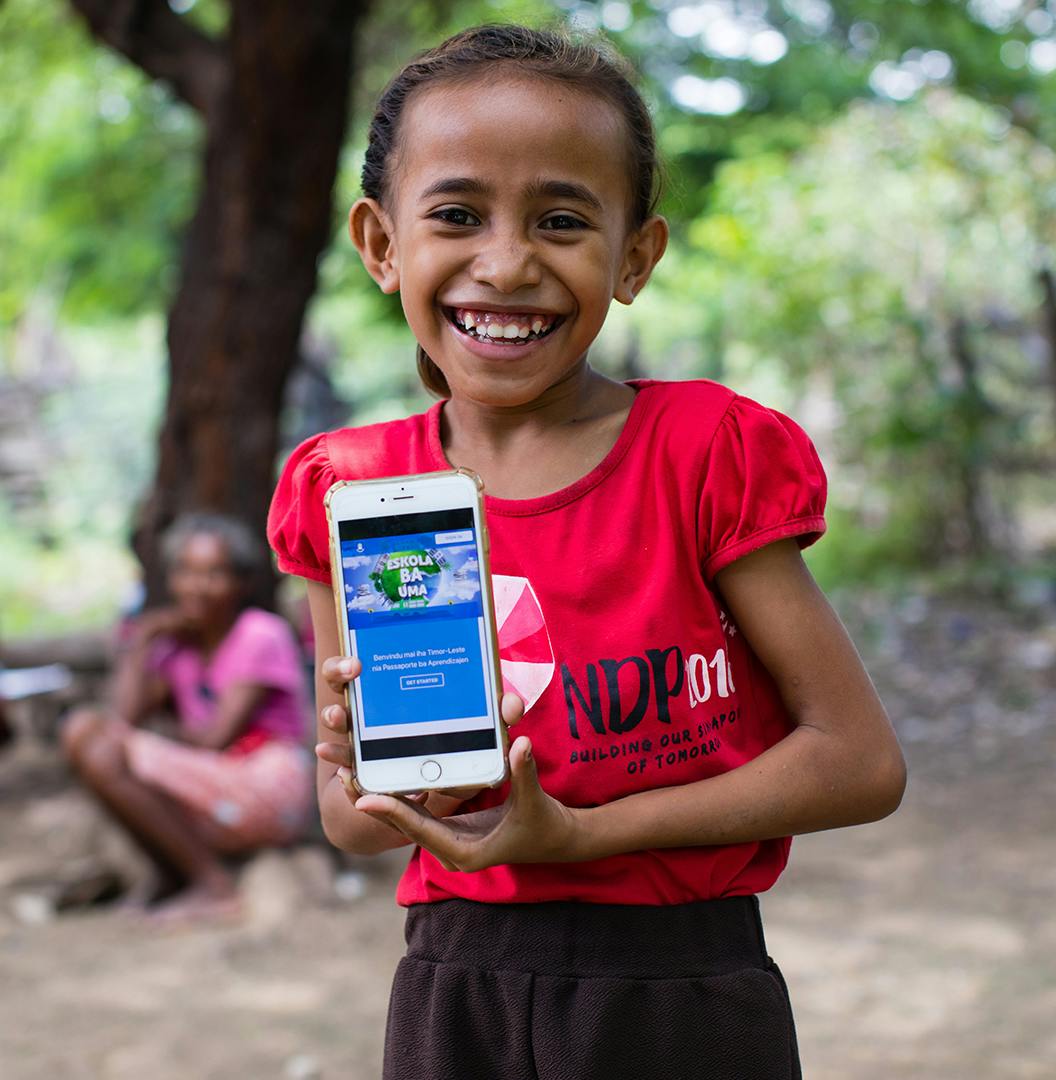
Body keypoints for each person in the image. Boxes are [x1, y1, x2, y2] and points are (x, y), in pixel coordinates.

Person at [267, 25, 907, 1079]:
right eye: (458, 215)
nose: (508, 262)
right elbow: (353, 823)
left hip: (683, 993)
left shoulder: (707, 454)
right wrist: (366, 766)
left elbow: (857, 760)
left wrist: (582, 837)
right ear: (382, 245)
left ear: (634, 257)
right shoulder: (353, 488)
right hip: (453, 990)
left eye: (562, 219)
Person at [61, 512, 313, 922]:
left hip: (265, 782)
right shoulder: (177, 650)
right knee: (89, 740)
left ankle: (213, 886)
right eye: (187, 573)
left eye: (214, 574)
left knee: (94, 739)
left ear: (241, 583)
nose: (197, 587)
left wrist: (158, 736)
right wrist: (143, 642)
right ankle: (173, 877)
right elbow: (121, 718)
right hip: (214, 783)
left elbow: (215, 739)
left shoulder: (258, 634)